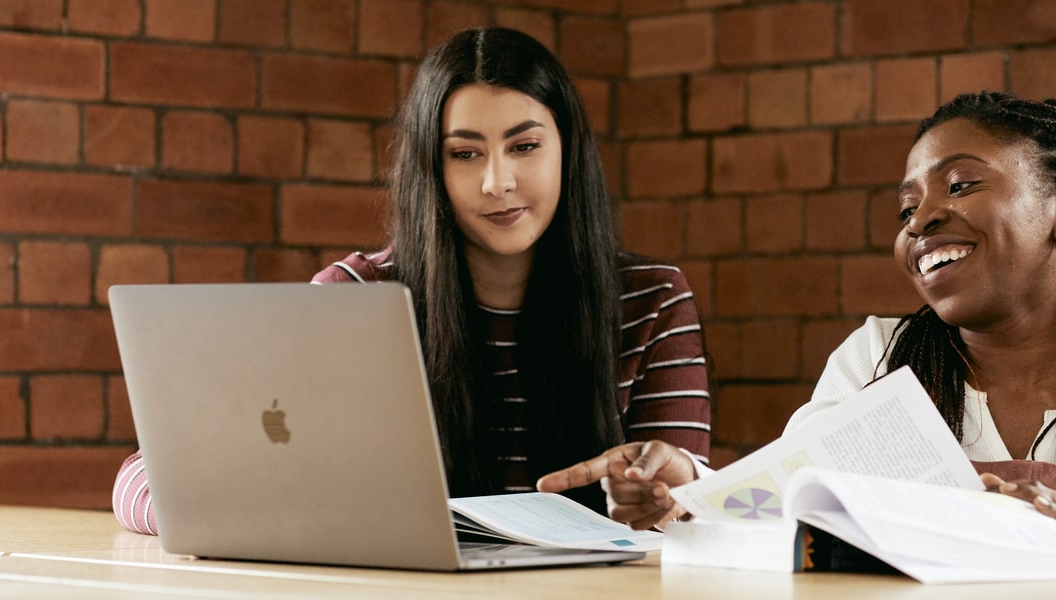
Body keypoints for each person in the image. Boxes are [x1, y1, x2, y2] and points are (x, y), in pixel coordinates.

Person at [538, 91, 1056, 573]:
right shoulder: (875, 358)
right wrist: (684, 493)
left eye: (959, 186)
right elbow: (787, 512)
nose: (921, 220)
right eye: (908, 206)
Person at [112, 27, 712, 535]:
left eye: (524, 146)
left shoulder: (651, 299)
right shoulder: (356, 296)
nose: (496, 183)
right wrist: (242, 501)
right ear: (430, 166)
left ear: (568, 149)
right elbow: (139, 476)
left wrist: (675, 497)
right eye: (464, 154)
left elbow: (691, 510)